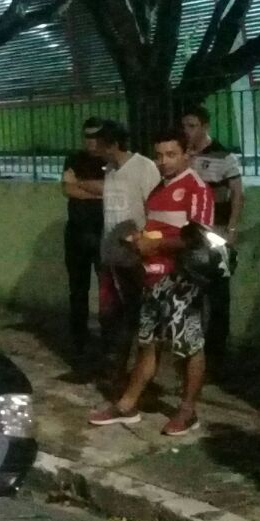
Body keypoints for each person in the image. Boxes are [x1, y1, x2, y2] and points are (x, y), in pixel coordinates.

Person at [88, 129, 214, 436]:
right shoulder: (159, 189)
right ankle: (127, 405)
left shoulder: (196, 189)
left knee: (189, 347)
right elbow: (159, 230)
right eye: (159, 155)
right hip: (153, 277)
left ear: (187, 154)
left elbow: (200, 239)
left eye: (171, 154)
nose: (163, 161)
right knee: (147, 344)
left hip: (182, 281)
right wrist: (141, 241)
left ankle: (187, 411)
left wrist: (154, 245)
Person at [96, 121, 161, 378]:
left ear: (113, 144)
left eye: (100, 144)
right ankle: (120, 370)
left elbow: (154, 208)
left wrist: (145, 243)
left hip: (136, 255)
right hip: (114, 256)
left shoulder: (144, 167)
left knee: (138, 318)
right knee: (115, 315)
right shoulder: (111, 170)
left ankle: (136, 373)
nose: (96, 149)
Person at [183, 105, 244, 369]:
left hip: (215, 232)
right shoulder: (183, 155)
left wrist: (231, 228)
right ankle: (192, 351)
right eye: (185, 126)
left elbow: (237, 194)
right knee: (190, 294)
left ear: (205, 126)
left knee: (218, 296)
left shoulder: (223, 156)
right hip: (189, 233)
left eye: (192, 126)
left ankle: (217, 355)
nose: (187, 131)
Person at [61, 118, 108, 356]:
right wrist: (99, 191)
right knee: (77, 289)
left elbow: (111, 190)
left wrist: (80, 183)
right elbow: (67, 189)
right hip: (77, 232)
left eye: (96, 136)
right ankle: (78, 339)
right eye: (87, 136)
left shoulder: (111, 160)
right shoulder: (74, 158)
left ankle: (109, 339)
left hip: (103, 232)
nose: (91, 141)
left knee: (107, 289)